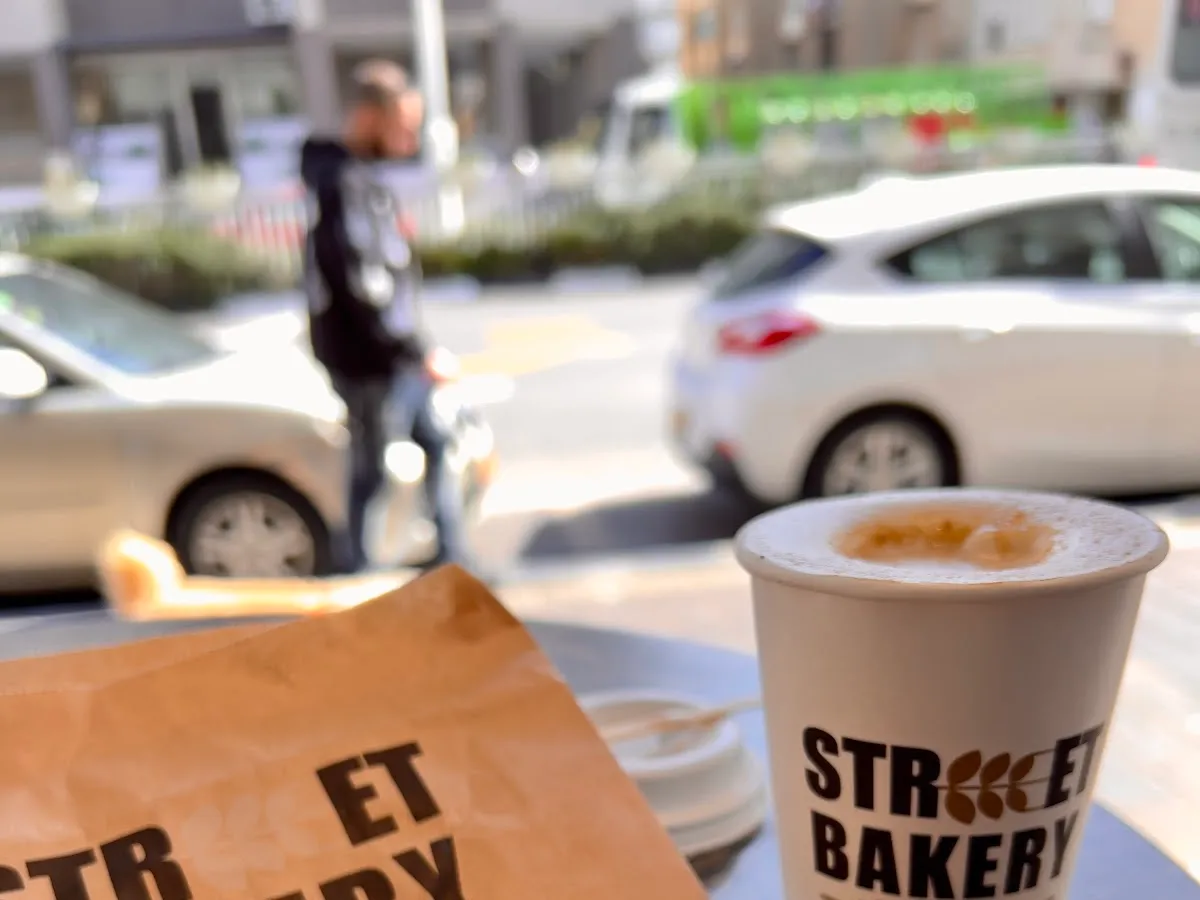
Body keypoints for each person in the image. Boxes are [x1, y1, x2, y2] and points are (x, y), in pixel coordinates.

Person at [299, 59, 473, 574]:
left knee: (436, 440)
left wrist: (416, 349)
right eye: (403, 124)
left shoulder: (357, 180)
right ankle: (357, 569)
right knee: (372, 467)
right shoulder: (343, 186)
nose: (410, 137)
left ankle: (448, 554)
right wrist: (417, 351)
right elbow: (365, 286)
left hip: (393, 358)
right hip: (370, 362)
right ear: (371, 117)